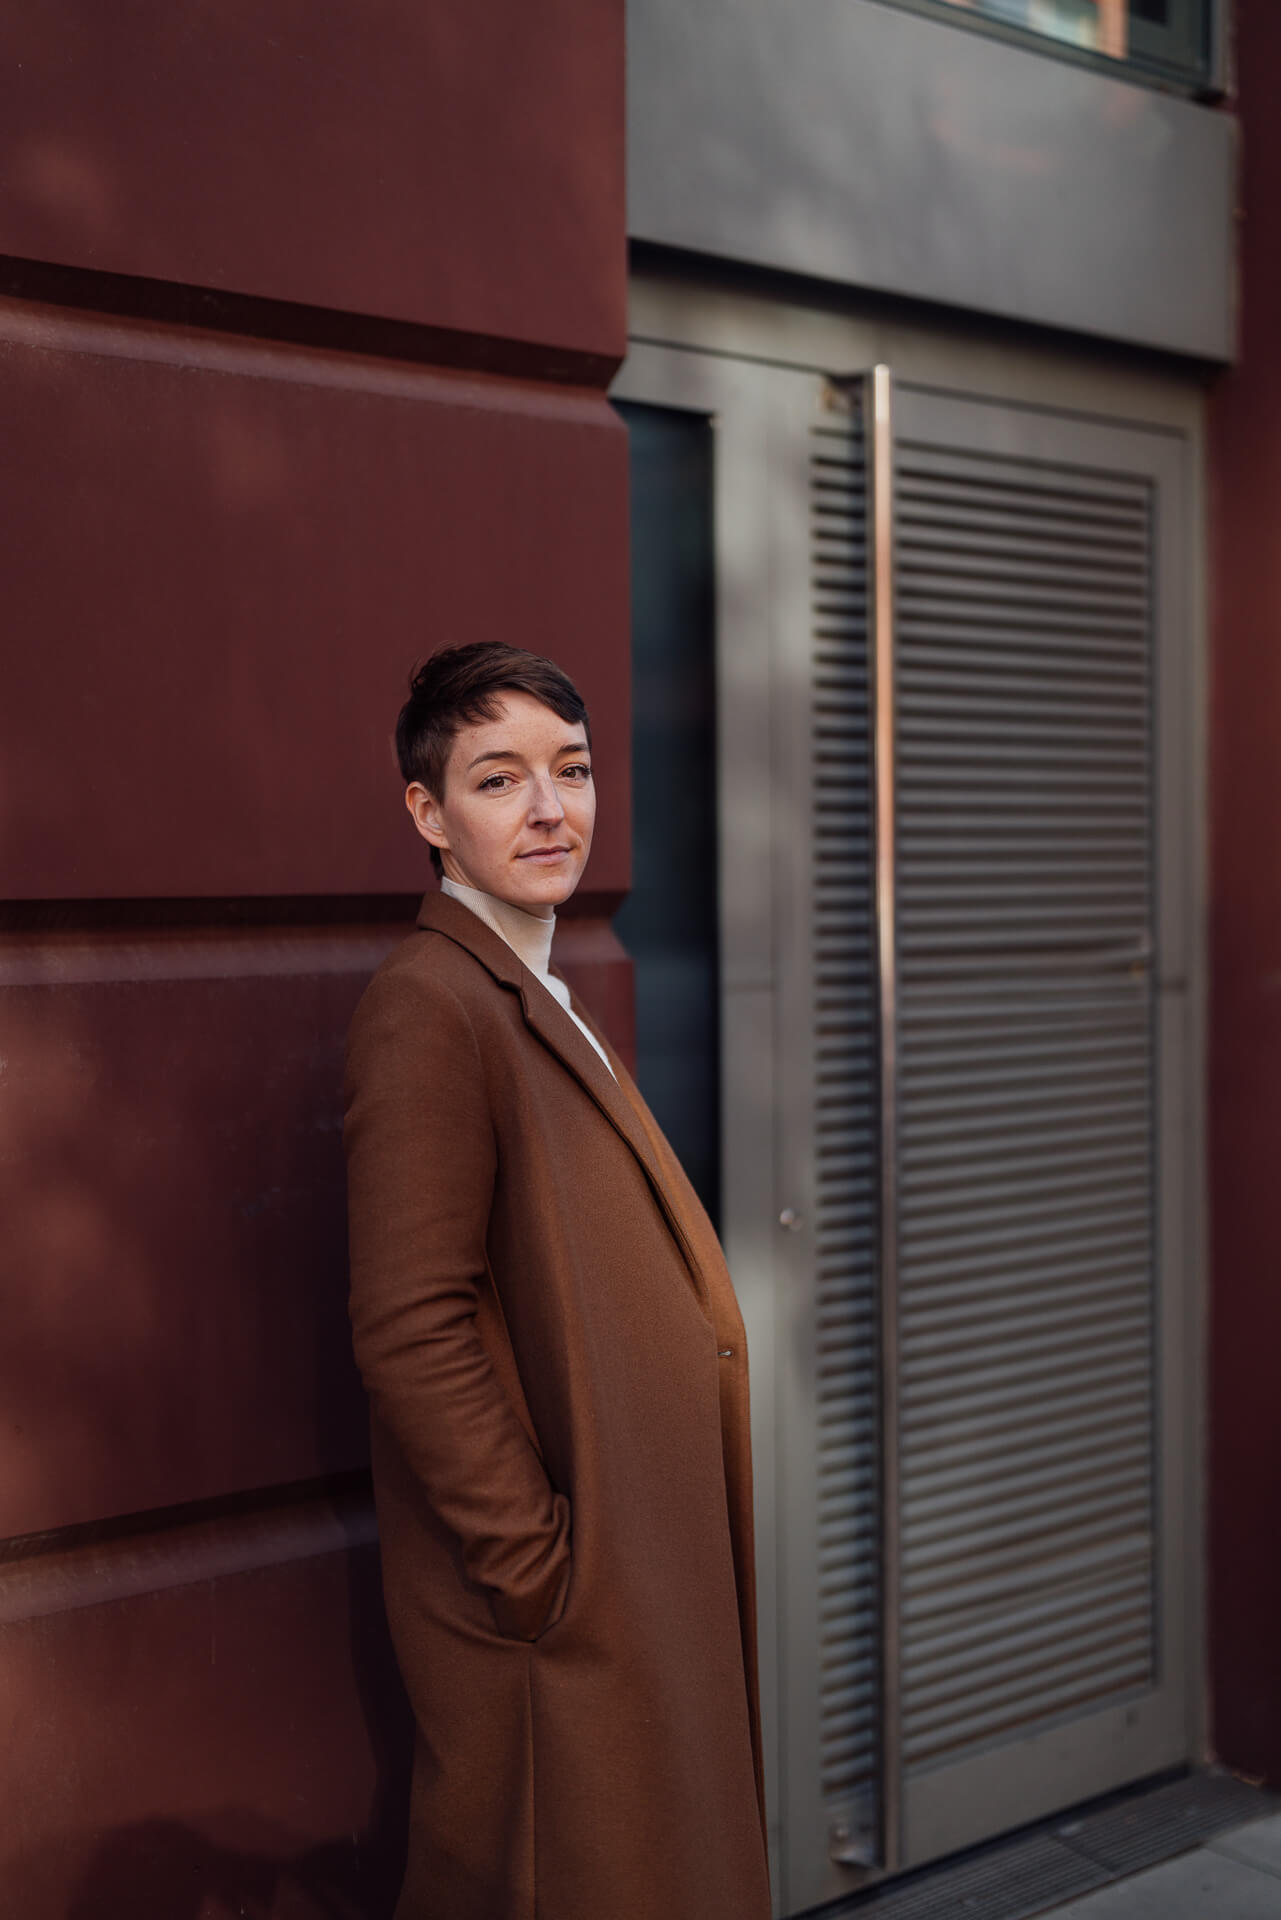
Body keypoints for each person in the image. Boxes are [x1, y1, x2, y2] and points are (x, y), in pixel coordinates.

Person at [343, 642, 772, 1920]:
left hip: (628, 1580)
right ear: (427, 813)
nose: (550, 809)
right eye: (499, 778)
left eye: (572, 771)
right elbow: (411, 1325)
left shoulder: (528, 978)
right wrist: (539, 1570)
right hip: (562, 1610)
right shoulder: (432, 1003)